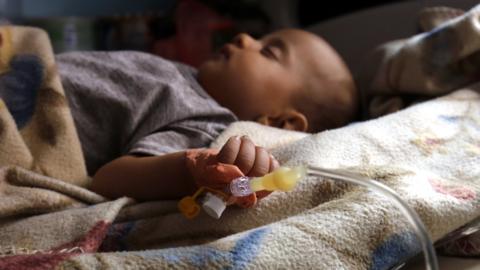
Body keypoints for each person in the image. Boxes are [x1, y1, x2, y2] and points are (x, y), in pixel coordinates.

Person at [57, 29, 357, 203]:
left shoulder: (205, 119)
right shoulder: (187, 75)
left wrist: (193, 169)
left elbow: (109, 180)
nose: (244, 37)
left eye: (268, 52)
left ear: (281, 122)